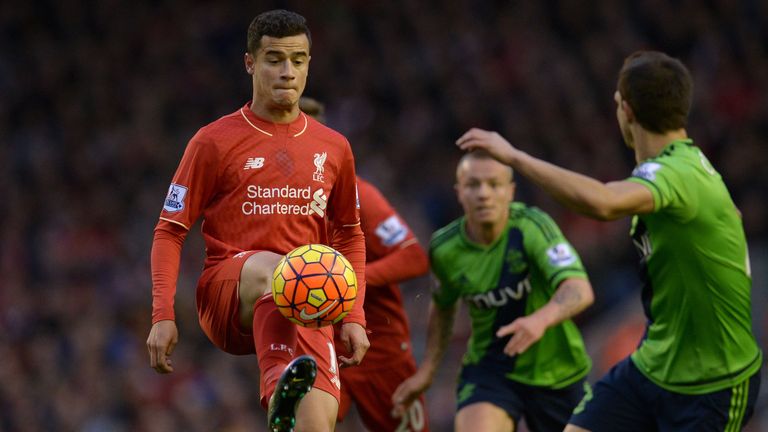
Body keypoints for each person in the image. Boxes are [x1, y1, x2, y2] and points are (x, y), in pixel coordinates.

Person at [456, 50, 763, 431]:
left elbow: (603, 203)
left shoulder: (678, 173)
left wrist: (515, 157)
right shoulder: (683, 169)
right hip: (653, 367)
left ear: (626, 110)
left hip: (714, 384)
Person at [145, 10, 370, 432]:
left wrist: (354, 316)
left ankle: (286, 414)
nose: (287, 72)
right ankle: (276, 382)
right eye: (274, 59)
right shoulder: (213, 141)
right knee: (284, 270)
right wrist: (162, 314)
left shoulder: (334, 147)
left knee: (317, 425)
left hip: (308, 299)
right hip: (231, 294)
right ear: (250, 63)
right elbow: (170, 230)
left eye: (298, 60)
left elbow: (350, 235)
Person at [392, 150, 595, 432]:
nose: (483, 194)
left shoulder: (532, 227)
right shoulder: (444, 249)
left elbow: (579, 289)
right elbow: (443, 306)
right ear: (459, 192)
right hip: (491, 370)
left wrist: (540, 320)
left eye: (494, 184)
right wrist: (428, 371)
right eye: (473, 185)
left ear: (510, 191)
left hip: (558, 370)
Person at [300, 96, 431, 432]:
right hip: (320, 345)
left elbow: (414, 257)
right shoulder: (275, 205)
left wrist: (345, 280)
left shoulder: (359, 196)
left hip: (379, 348)